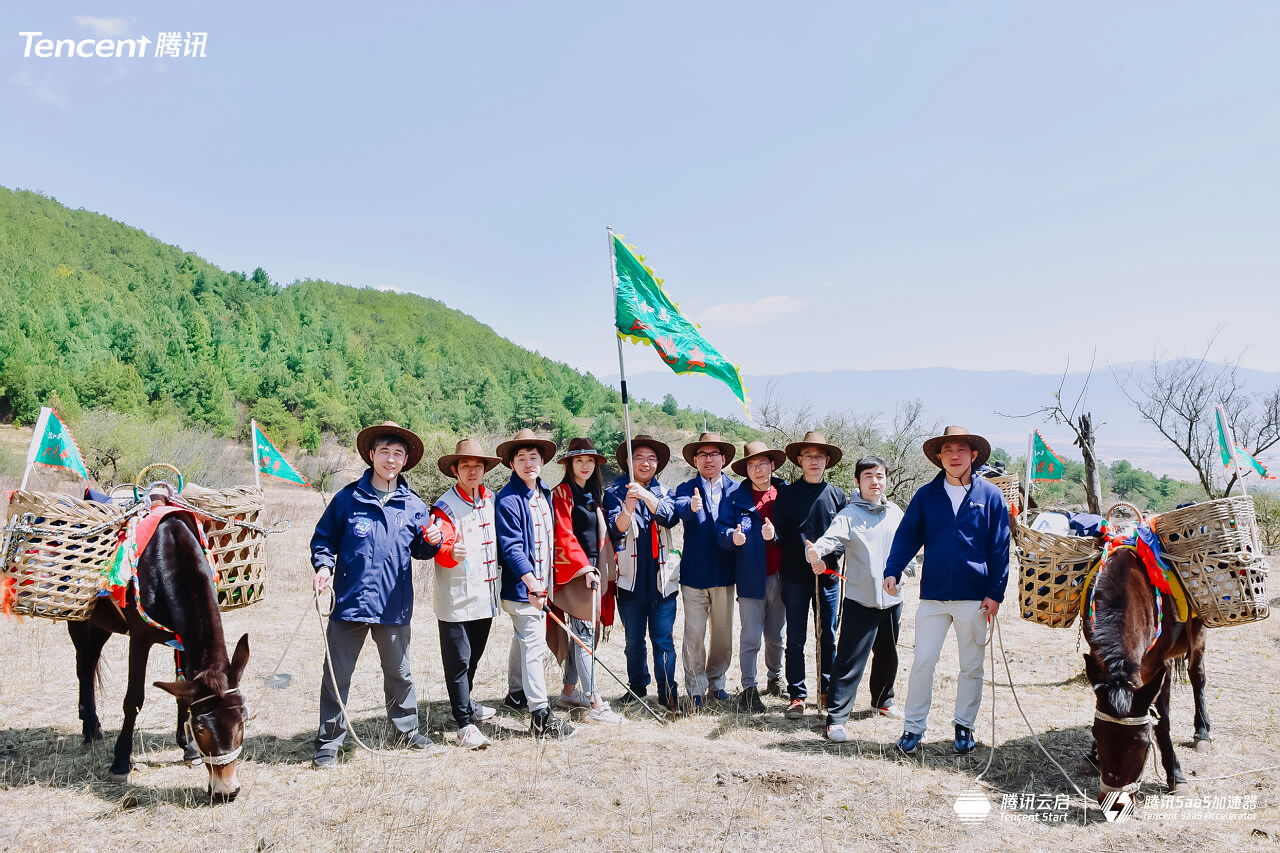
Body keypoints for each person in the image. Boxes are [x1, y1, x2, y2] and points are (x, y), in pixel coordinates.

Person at [310, 421, 439, 768]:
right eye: (385, 452)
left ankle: (406, 730)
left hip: (393, 605)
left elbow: (421, 550)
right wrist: (323, 568)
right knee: (337, 674)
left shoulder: (413, 505)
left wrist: (432, 542)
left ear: (405, 461)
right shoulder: (347, 499)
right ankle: (329, 742)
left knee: (400, 672)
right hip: (350, 602)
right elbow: (324, 539)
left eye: (398, 453)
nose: (391, 459)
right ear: (371, 455)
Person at [883, 426, 1011, 756]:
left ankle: (964, 727)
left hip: (975, 597)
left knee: (971, 666)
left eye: (962, 450)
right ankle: (913, 728)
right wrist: (892, 569)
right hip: (934, 595)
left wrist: (995, 592)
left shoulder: (991, 496)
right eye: (948, 450)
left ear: (973, 455)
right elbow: (907, 535)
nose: (955, 456)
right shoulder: (927, 495)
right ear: (939, 457)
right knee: (924, 660)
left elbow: (1000, 548)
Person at [805, 456, 915, 743]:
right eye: (868, 476)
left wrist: (904, 573)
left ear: (886, 479)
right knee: (850, 660)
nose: (875, 481)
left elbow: (909, 551)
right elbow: (829, 540)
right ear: (857, 481)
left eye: (880, 476)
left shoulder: (896, 513)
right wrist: (815, 552)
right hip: (859, 599)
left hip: (892, 599)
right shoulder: (849, 514)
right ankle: (837, 718)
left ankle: (882, 701)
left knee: (888, 654)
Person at [495, 428, 577, 740]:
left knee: (523, 640)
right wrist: (531, 582)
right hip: (524, 588)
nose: (529, 463)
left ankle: (516, 693)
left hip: (543, 585)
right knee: (532, 645)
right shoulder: (508, 499)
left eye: (534, 457)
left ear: (542, 461)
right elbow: (512, 547)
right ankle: (540, 715)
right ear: (512, 464)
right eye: (522, 458)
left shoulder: (543, 493)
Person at [427, 438, 504, 750]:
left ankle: (465, 703)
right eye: (466, 466)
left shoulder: (492, 500)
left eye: (477, 466)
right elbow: (440, 549)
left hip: (485, 595)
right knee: (458, 661)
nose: (472, 471)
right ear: (455, 470)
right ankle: (464, 725)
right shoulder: (445, 507)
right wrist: (451, 552)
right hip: (456, 597)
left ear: (485, 469)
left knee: (473, 656)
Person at [549, 437, 626, 725]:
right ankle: (595, 703)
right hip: (574, 572)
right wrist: (583, 568)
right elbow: (563, 534)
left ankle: (569, 692)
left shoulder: (596, 495)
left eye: (589, 461)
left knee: (584, 636)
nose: (584, 465)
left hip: (595, 568)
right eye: (578, 460)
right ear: (569, 464)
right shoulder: (562, 494)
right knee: (583, 638)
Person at [773, 431, 846, 720]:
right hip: (794, 578)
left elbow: (843, 538)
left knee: (827, 635)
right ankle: (797, 694)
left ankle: (827, 691)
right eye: (808, 456)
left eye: (819, 456)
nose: (814, 461)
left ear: (827, 460)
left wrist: (826, 559)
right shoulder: (787, 495)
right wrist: (770, 534)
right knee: (795, 637)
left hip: (827, 578)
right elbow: (779, 535)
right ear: (800, 460)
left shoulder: (837, 495)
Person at [604, 434, 681, 712]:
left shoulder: (667, 491)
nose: (645, 463)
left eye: (651, 459)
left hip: (662, 581)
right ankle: (637, 688)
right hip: (630, 579)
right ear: (628, 462)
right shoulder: (613, 492)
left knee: (663, 639)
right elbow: (616, 529)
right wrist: (629, 505)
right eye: (639, 458)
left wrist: (647, 496)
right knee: (633, 640)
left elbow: (670, 517)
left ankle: (668, 691)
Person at [717, 441, 787, 713]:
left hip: (781, 576)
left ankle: (775, 678)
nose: (758, 470)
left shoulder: (784, 494)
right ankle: (748, 688)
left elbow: (794, 530)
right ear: (746, 470)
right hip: (749, 577)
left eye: (762, 464)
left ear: (772, 465)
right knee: (750, 637)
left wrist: (776, 536)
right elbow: (720, 532)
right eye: (752, 466)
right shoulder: (735, 499)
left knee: (776, 634)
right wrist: (731, 537)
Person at [673, 432, 739, 710]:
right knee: (694, 633)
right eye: (703, 455)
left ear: (723, 459)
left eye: (714, 454)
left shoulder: (736, 489)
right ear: (695, 460)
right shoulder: (687, 488)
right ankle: (695, 688)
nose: (708, 459)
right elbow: (676, 509)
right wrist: (690, 506)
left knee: (723, 634)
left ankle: (718, 681)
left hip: (725, 574)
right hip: (694, 575)